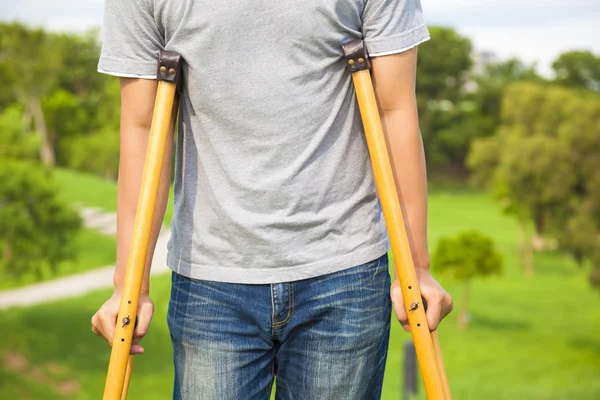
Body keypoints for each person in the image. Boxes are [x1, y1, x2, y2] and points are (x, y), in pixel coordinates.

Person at [91, 0, 453, 398]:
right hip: (211, 278)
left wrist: (415, 268)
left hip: (345, 268)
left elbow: (394, 109)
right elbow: (143, 127)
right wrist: (129, 285)